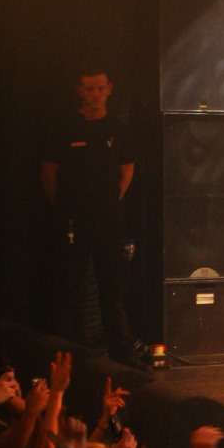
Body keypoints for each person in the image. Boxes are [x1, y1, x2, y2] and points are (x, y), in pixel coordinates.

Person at [39, 69, 144, 371]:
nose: (95, 94)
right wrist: (64, 207)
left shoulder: (119, 129)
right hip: (72, 219)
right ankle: (59, 357)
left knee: (113, 291)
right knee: (66, 290)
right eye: (89, 89)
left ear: (109, 89)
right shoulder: (65, 127)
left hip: (108, 221)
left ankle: (123, 357)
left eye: (100, 88)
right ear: (80, 91)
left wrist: (109, 202)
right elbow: (48, 172)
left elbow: (127, 170)